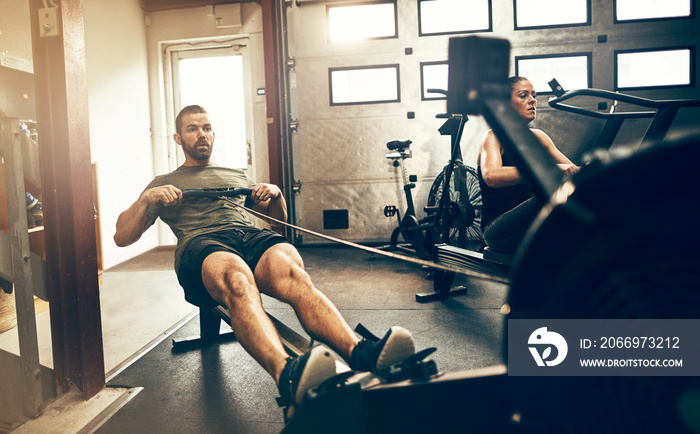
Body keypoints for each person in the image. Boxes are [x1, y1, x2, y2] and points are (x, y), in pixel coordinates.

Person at [114, 105, 415, 419]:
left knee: (295, 274)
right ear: (178, 138)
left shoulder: (237, 175)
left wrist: (277, 195)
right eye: (192, 129)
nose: (201, 134)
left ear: (213, 133)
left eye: (206, 127)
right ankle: (287, 375)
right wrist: (145, 200)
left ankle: (361, 351)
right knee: (238, 281)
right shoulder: (164, 182)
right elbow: (123, 237)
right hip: (203, 243)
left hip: (249, 235)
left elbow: (276, 225)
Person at [477, 76, 579, 254]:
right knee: (552, 194)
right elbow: (491, 177)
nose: (532, 100)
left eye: (534, 95)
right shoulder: (493, 137)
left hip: (532, 226)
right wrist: (550, 170)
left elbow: (574, 171)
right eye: (523, 95)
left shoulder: (539, 137)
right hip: (497, 230)